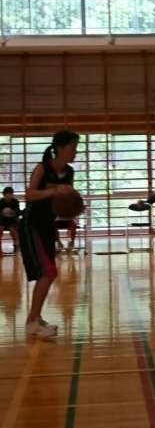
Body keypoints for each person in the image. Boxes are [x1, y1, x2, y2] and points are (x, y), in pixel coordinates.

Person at [19, 129, 79, 339]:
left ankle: (35, 318)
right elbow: (29, 195)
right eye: (73, 147)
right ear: (60, 148)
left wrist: (73, 204)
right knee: (48, 272)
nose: (75, 152)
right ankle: (32, 321)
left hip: (47, 225)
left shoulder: (69, 172)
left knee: (48, 273)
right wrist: (53, 190)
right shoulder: (42, 168)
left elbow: (64, 200)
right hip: (31, 225)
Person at [0, 186, 21, 255]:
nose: (8, 195)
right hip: (2, 220)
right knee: (0, 229)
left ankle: (16, 245)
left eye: (10, 194)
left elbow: (18, 212)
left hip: (12, 220)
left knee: (13, 230)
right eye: (7, 194)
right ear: (4, 195)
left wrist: (13, 212)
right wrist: (3, 213)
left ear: (12, 194)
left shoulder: (15, 202)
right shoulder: (1, 202)